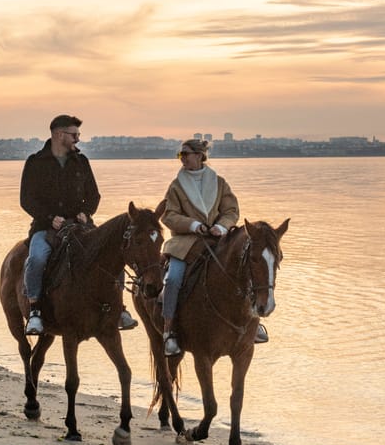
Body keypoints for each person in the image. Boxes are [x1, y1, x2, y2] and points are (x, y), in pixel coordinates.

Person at [20, 114, 138, 335]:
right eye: (74, 135)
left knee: (114, 256)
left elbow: (94, 195)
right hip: (46, 228)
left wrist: (86, 212)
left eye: (78, 135)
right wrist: (48, 218)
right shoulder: (35, 162)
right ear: (58, 134)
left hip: (80, 226)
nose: (77, 139)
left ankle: (119, 309)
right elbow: (26, 199)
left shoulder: (81, 161)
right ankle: (35, 310)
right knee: (36, 259)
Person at [160, 139, 269, 356]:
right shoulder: (176, 186)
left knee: (245, 272)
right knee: (172, 280)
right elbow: (169, 215)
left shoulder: (219, 183)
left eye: (186, 154)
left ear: (200, 156)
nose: (182, 158)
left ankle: (252, 324)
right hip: (185, 242)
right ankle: (169, 330)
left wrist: (221, 226)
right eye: (180, 155)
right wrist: (193, 225)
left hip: (218, 240)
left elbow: (231, 210)